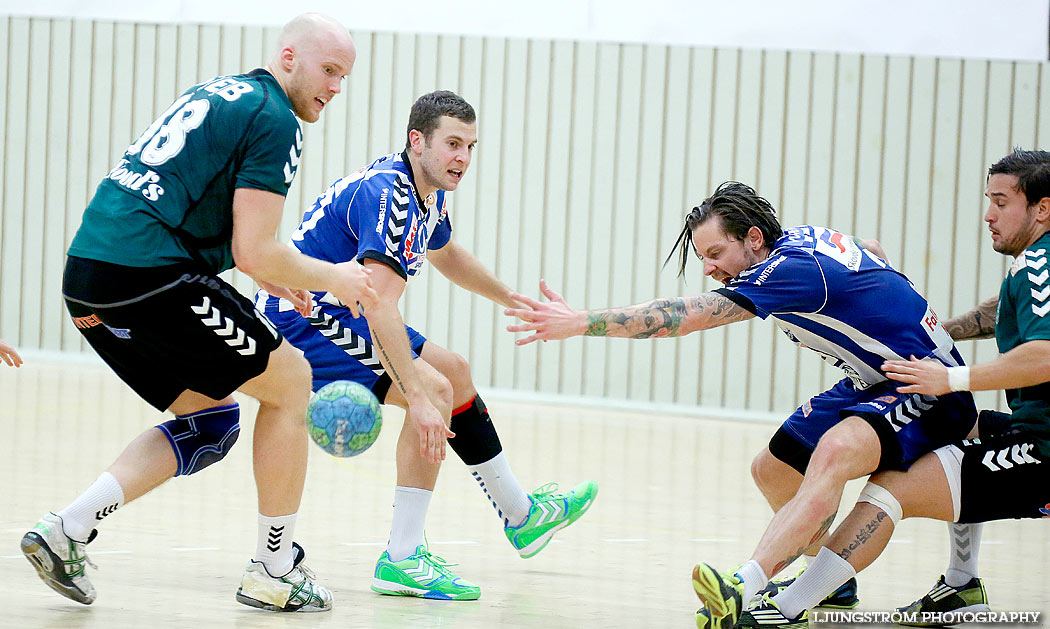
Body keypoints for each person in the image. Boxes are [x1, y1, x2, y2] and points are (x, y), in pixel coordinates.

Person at [20, 13, 377, 613]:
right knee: (292, 382)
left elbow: (213, 218)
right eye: (329, 70)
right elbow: (253, 246)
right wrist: (334, 276)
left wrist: (270, 273)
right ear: (288, 57)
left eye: (344, 76)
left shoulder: (220, 92)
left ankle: (68, 529)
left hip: (89, 279)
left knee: (212, 422)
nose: (336, 87)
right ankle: (273, 568)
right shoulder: (276, 119)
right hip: (149, 273)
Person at [503, 181, 978, 627]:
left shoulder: (789, 270)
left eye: (715, 253)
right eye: (702, 258)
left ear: (753, 238)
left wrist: (580, 322)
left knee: (835, 453)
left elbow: (682, 318)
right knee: (771, 469)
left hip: (924, 387)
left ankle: (746, 586)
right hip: (872, 379)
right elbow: (870, 250)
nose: (709, 268)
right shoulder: (800, 240)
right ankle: (834, 581)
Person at [256, 90, 598, 601]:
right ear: (418, 141)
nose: (462, 158)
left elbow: (446, 253)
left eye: (471, 147)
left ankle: (521, 516)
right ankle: (401, 558)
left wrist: (512, 298)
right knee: (435, 391)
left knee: (453, 371)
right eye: (453, 144)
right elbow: (378, 307)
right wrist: (416, 395)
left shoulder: (425, 192)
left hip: (344, 311)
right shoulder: (390, 196)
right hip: (304, 319)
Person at [729, 149, 1050, 628]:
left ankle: (786, 607)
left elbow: (1044, 355)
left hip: (1044, 448)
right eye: (989, 200)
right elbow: (1004, 317)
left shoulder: (1038, 269)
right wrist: (926, 334)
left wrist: (951, 378)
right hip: (1030, 427)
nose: (988, 214)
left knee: (893, 489)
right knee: (959, 429)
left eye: (1001, 202)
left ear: (1041, 208)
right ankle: (962, 585)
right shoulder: (1031, 266)